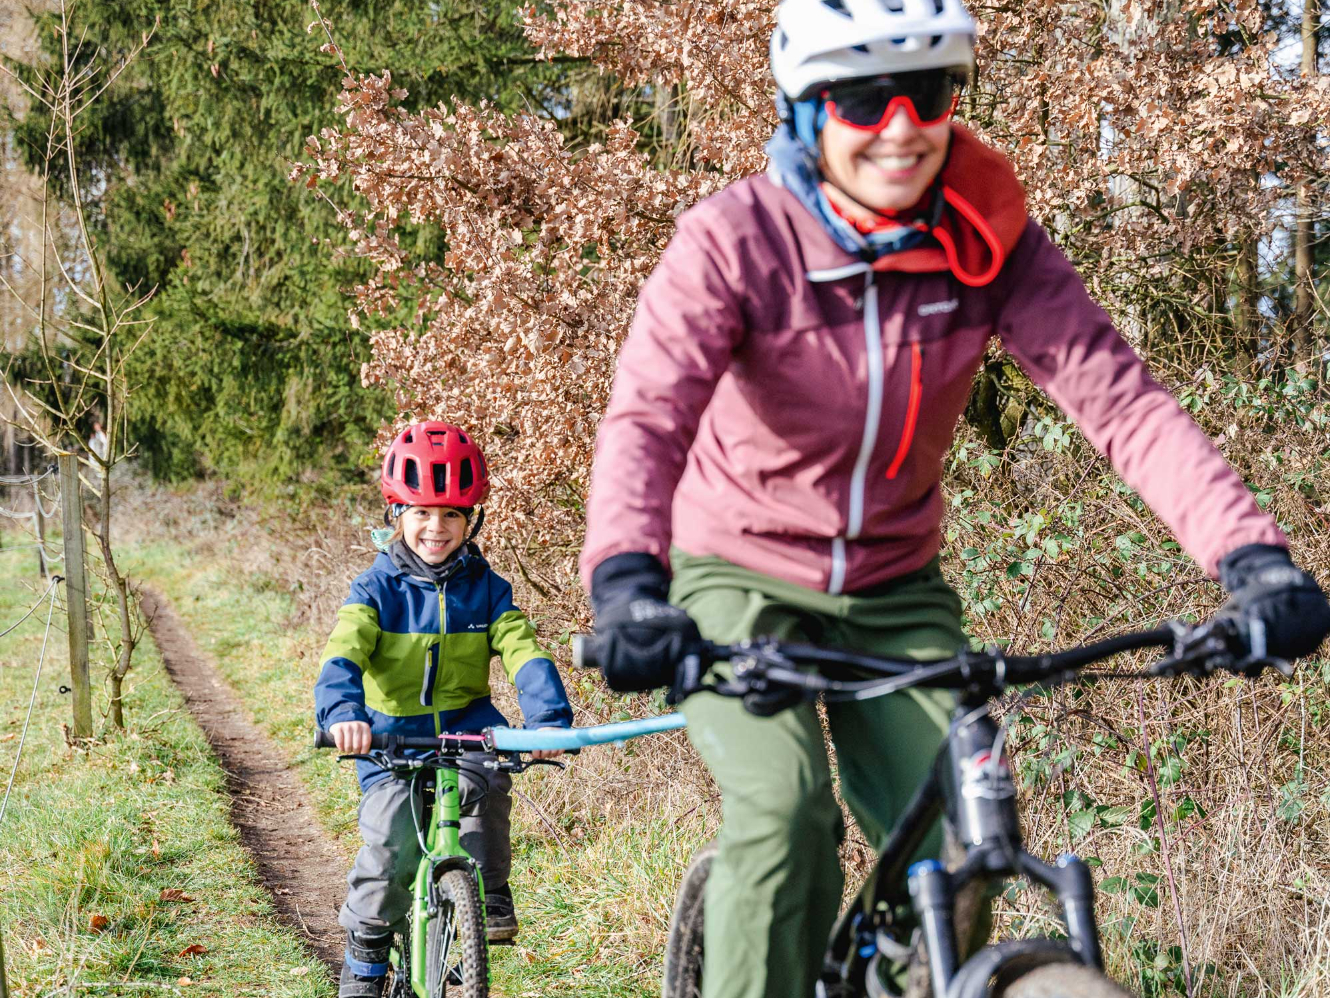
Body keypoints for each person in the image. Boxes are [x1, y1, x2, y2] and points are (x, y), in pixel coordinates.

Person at [579, 2, 1330, 998]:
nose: (899, 126)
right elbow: (648, 417)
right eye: (860, 99)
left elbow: (1122, 404)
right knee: (783, 810)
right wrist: (628, 582)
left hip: (894, 583)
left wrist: (1251, 559)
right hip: (735, 571)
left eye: (926, 93)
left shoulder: (989, 237)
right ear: (806, 111)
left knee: (954, 833)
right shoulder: (736, 241)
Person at [316, 421, 573, 998]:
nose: (437, 527)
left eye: (453, 514)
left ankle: (489, 892)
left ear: (472, 520)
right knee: (389, 847)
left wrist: (549, 720)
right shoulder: (374, 590)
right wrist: (341, 713)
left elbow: (522, 650)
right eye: (423, 512)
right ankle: (365, 961)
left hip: (469, 725)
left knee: (488, 790)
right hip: (389, 736)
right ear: (395, 514)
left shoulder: (488, 590)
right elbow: (343, 652)